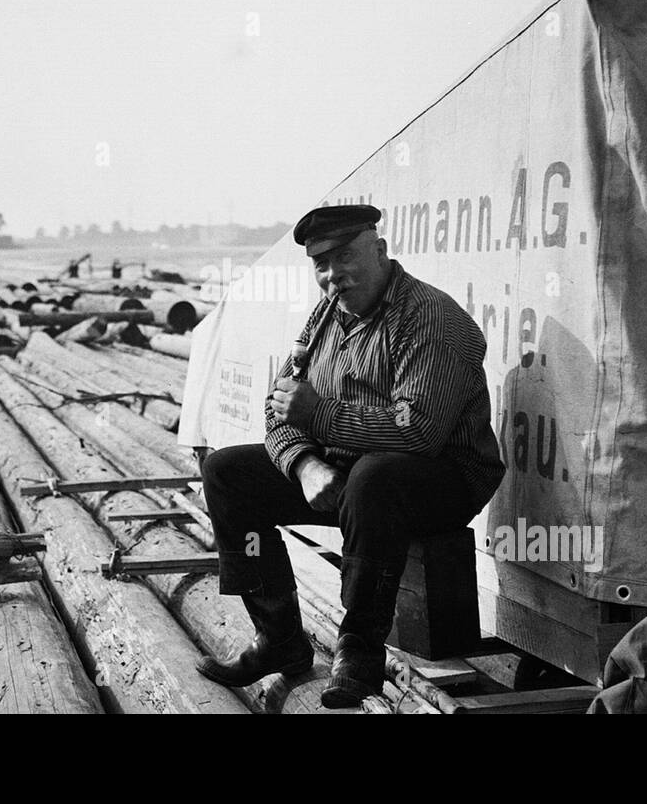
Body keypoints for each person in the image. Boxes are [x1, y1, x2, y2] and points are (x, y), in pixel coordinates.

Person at [195, 203, 505, 707]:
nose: (333, 275)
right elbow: (278, 410)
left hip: (444, 478)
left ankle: (359, 652)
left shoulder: (430, 316)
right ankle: (279, 639)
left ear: (380, 250)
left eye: (344, 256)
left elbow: (420, 431)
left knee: (373, 477)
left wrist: (320, 419)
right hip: (350, 468)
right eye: (321, 263)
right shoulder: (326, 316)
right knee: (227, 471)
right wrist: (305, 463)